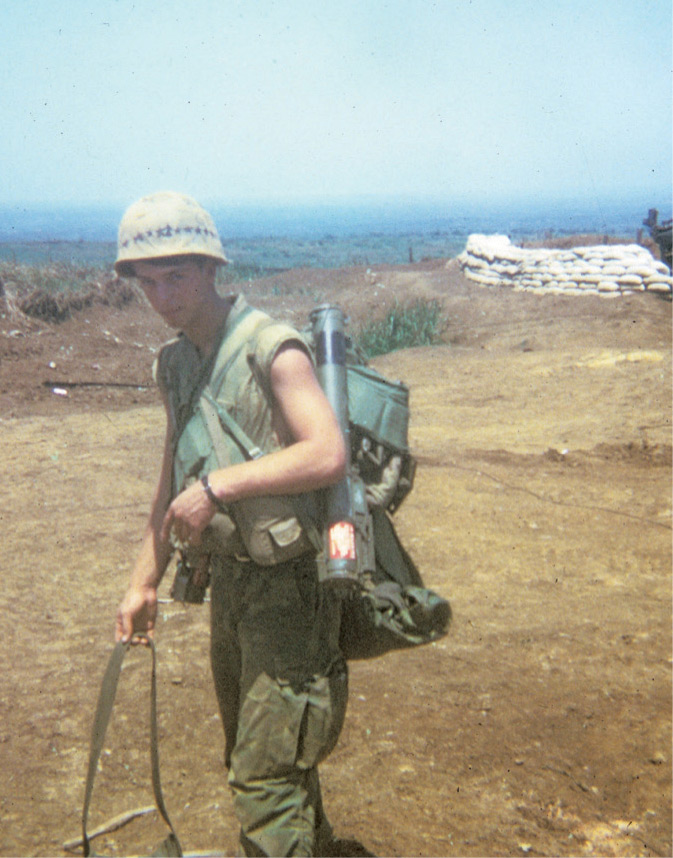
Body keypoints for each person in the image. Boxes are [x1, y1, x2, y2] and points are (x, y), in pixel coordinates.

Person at [113, 191, 350, 857]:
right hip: (233, 586)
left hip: (292, 586)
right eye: (147, 283)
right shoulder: (176, 361)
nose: (162, 297)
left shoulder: (271, 349)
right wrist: (143, 581)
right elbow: (168, 481)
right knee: (263, 753)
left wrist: (218, 485)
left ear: (211, 269)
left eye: (177, 278)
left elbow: (327, 452)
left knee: (264, 772)